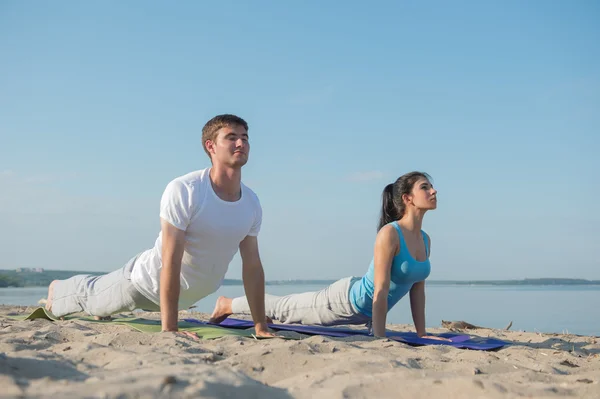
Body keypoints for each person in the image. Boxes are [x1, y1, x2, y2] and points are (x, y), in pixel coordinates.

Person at [45, 114, 275, 338]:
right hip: (144, 285)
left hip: (185, 296)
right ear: (211, 146)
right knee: (93, 301)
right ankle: (58, 288)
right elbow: (170, 260)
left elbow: (252, 266)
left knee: (100, 307)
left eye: (245, 137)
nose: (240, 143)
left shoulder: (251, 202)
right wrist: (170, 329)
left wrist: (260, 327)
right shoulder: (186, 190)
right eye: (231, 137)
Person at [210, 171, 446, 339]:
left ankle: (237, 305)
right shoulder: (390, 234)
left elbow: (417, 290)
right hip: (344, 302)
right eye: (425, 187)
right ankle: (227, 303)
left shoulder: (425, 239)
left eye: (431, 186)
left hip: (363, 309)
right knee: (285, 309)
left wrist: (421, 333)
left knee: (284, 311)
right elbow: (380, 289)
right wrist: (380, 336)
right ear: (407, 198)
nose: (433, 190)